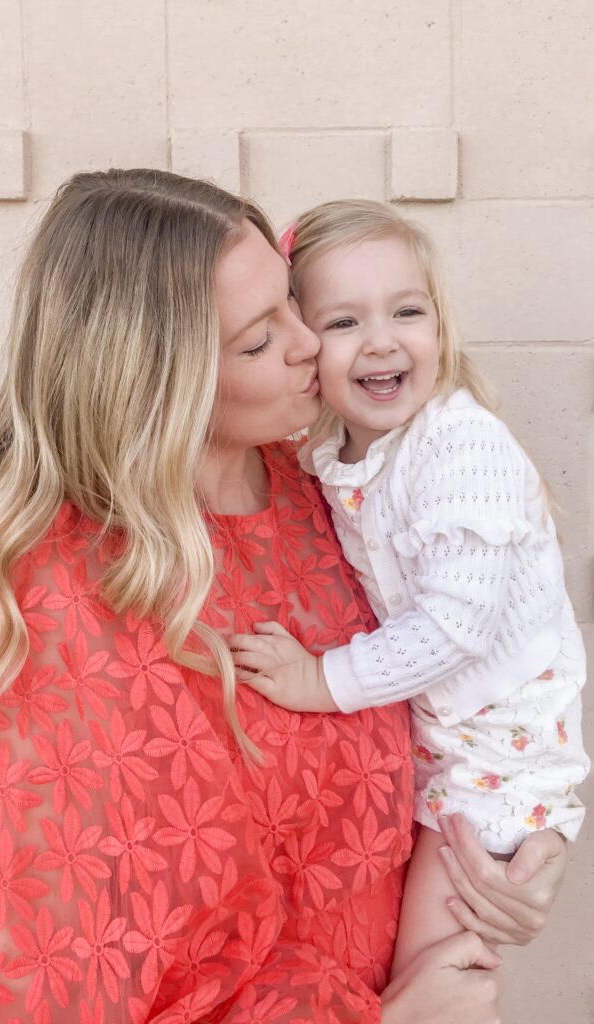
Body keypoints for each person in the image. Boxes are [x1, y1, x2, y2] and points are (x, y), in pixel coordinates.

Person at [0, 171, 569, 1024]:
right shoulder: (56, 611)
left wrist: (518, 840)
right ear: (160, 380)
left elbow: (454, 693)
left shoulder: (330, 495)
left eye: (296, 305)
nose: (312, 347)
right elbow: (55, 994)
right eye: (261, 339)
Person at [230, 199, 589, 973]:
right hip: (439, 759)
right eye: (342, 322)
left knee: (430, 983)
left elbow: (454, 625)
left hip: (494, 772)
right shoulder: (335, 459)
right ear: (299, 345)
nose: (382, 340)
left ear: (440, 326)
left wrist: (320, 680)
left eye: (406, 310)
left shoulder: (462, 447)